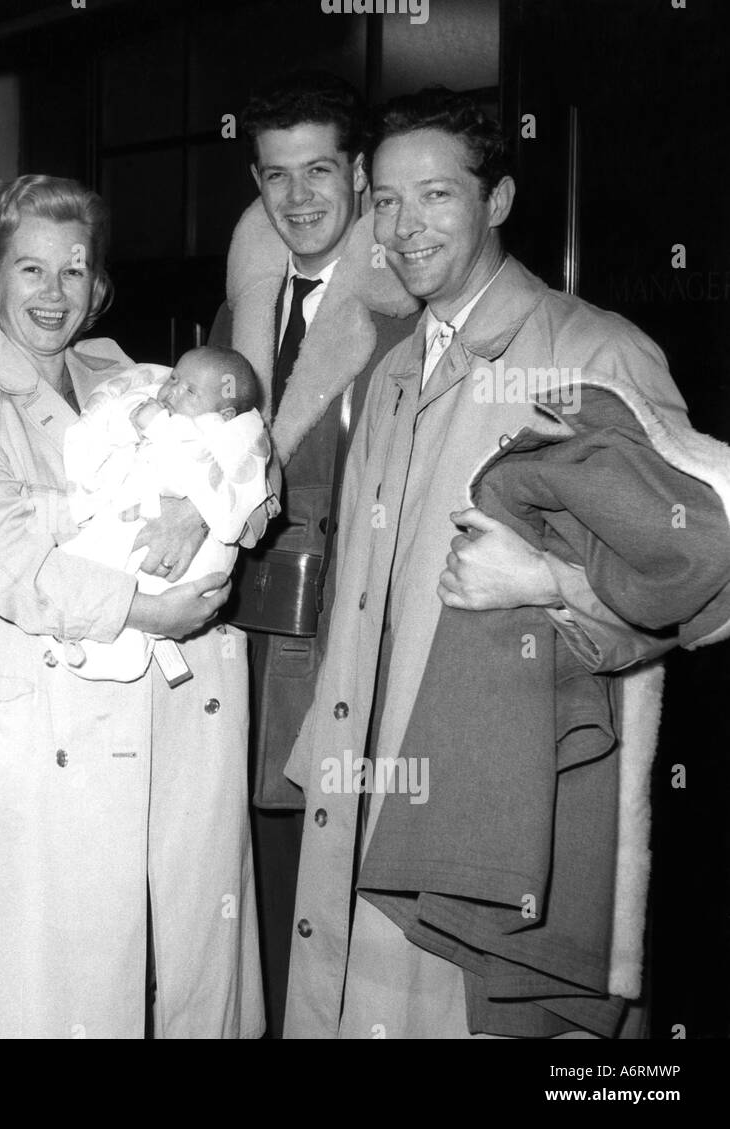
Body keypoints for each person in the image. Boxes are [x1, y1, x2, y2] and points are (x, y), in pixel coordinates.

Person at [282, 87, 730, 1039]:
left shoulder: (593, 351)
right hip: (372, 794)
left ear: (498, 202)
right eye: (385, 201)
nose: (402, 228)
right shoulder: (394, 368)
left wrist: (555, 585)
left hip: (506, 818)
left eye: (436, 196)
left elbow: (711, 578)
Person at [0, 174, 264, 1038]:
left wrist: (205, 507)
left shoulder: (128, 370)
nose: (54, 294)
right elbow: (7, 562)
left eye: (74, 270)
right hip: (46, 721)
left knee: (175, 958)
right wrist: (148, 613)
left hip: (171, 710)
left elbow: (250, 437)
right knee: (44, 980)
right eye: (29, 270)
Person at [209, 70, 418, 1032]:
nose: (297, 199)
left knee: (338, 877)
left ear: (360, 173)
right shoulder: (241, 311)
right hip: (239, 639)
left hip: (351, 639)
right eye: (276, 176)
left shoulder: (407, 311)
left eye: (319, 171)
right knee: (246, 867)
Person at [60, 346, 269, 682]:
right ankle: (107, 647)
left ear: (225, 415)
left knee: (94, 565)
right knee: (84, 566)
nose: (172, 391)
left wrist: (158, 428)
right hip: (132, 564)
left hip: (183, 568)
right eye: (174, 378)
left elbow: (234, 480)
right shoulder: (139, 386)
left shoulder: (217, 432)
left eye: (190, 391)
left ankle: (112, 645)